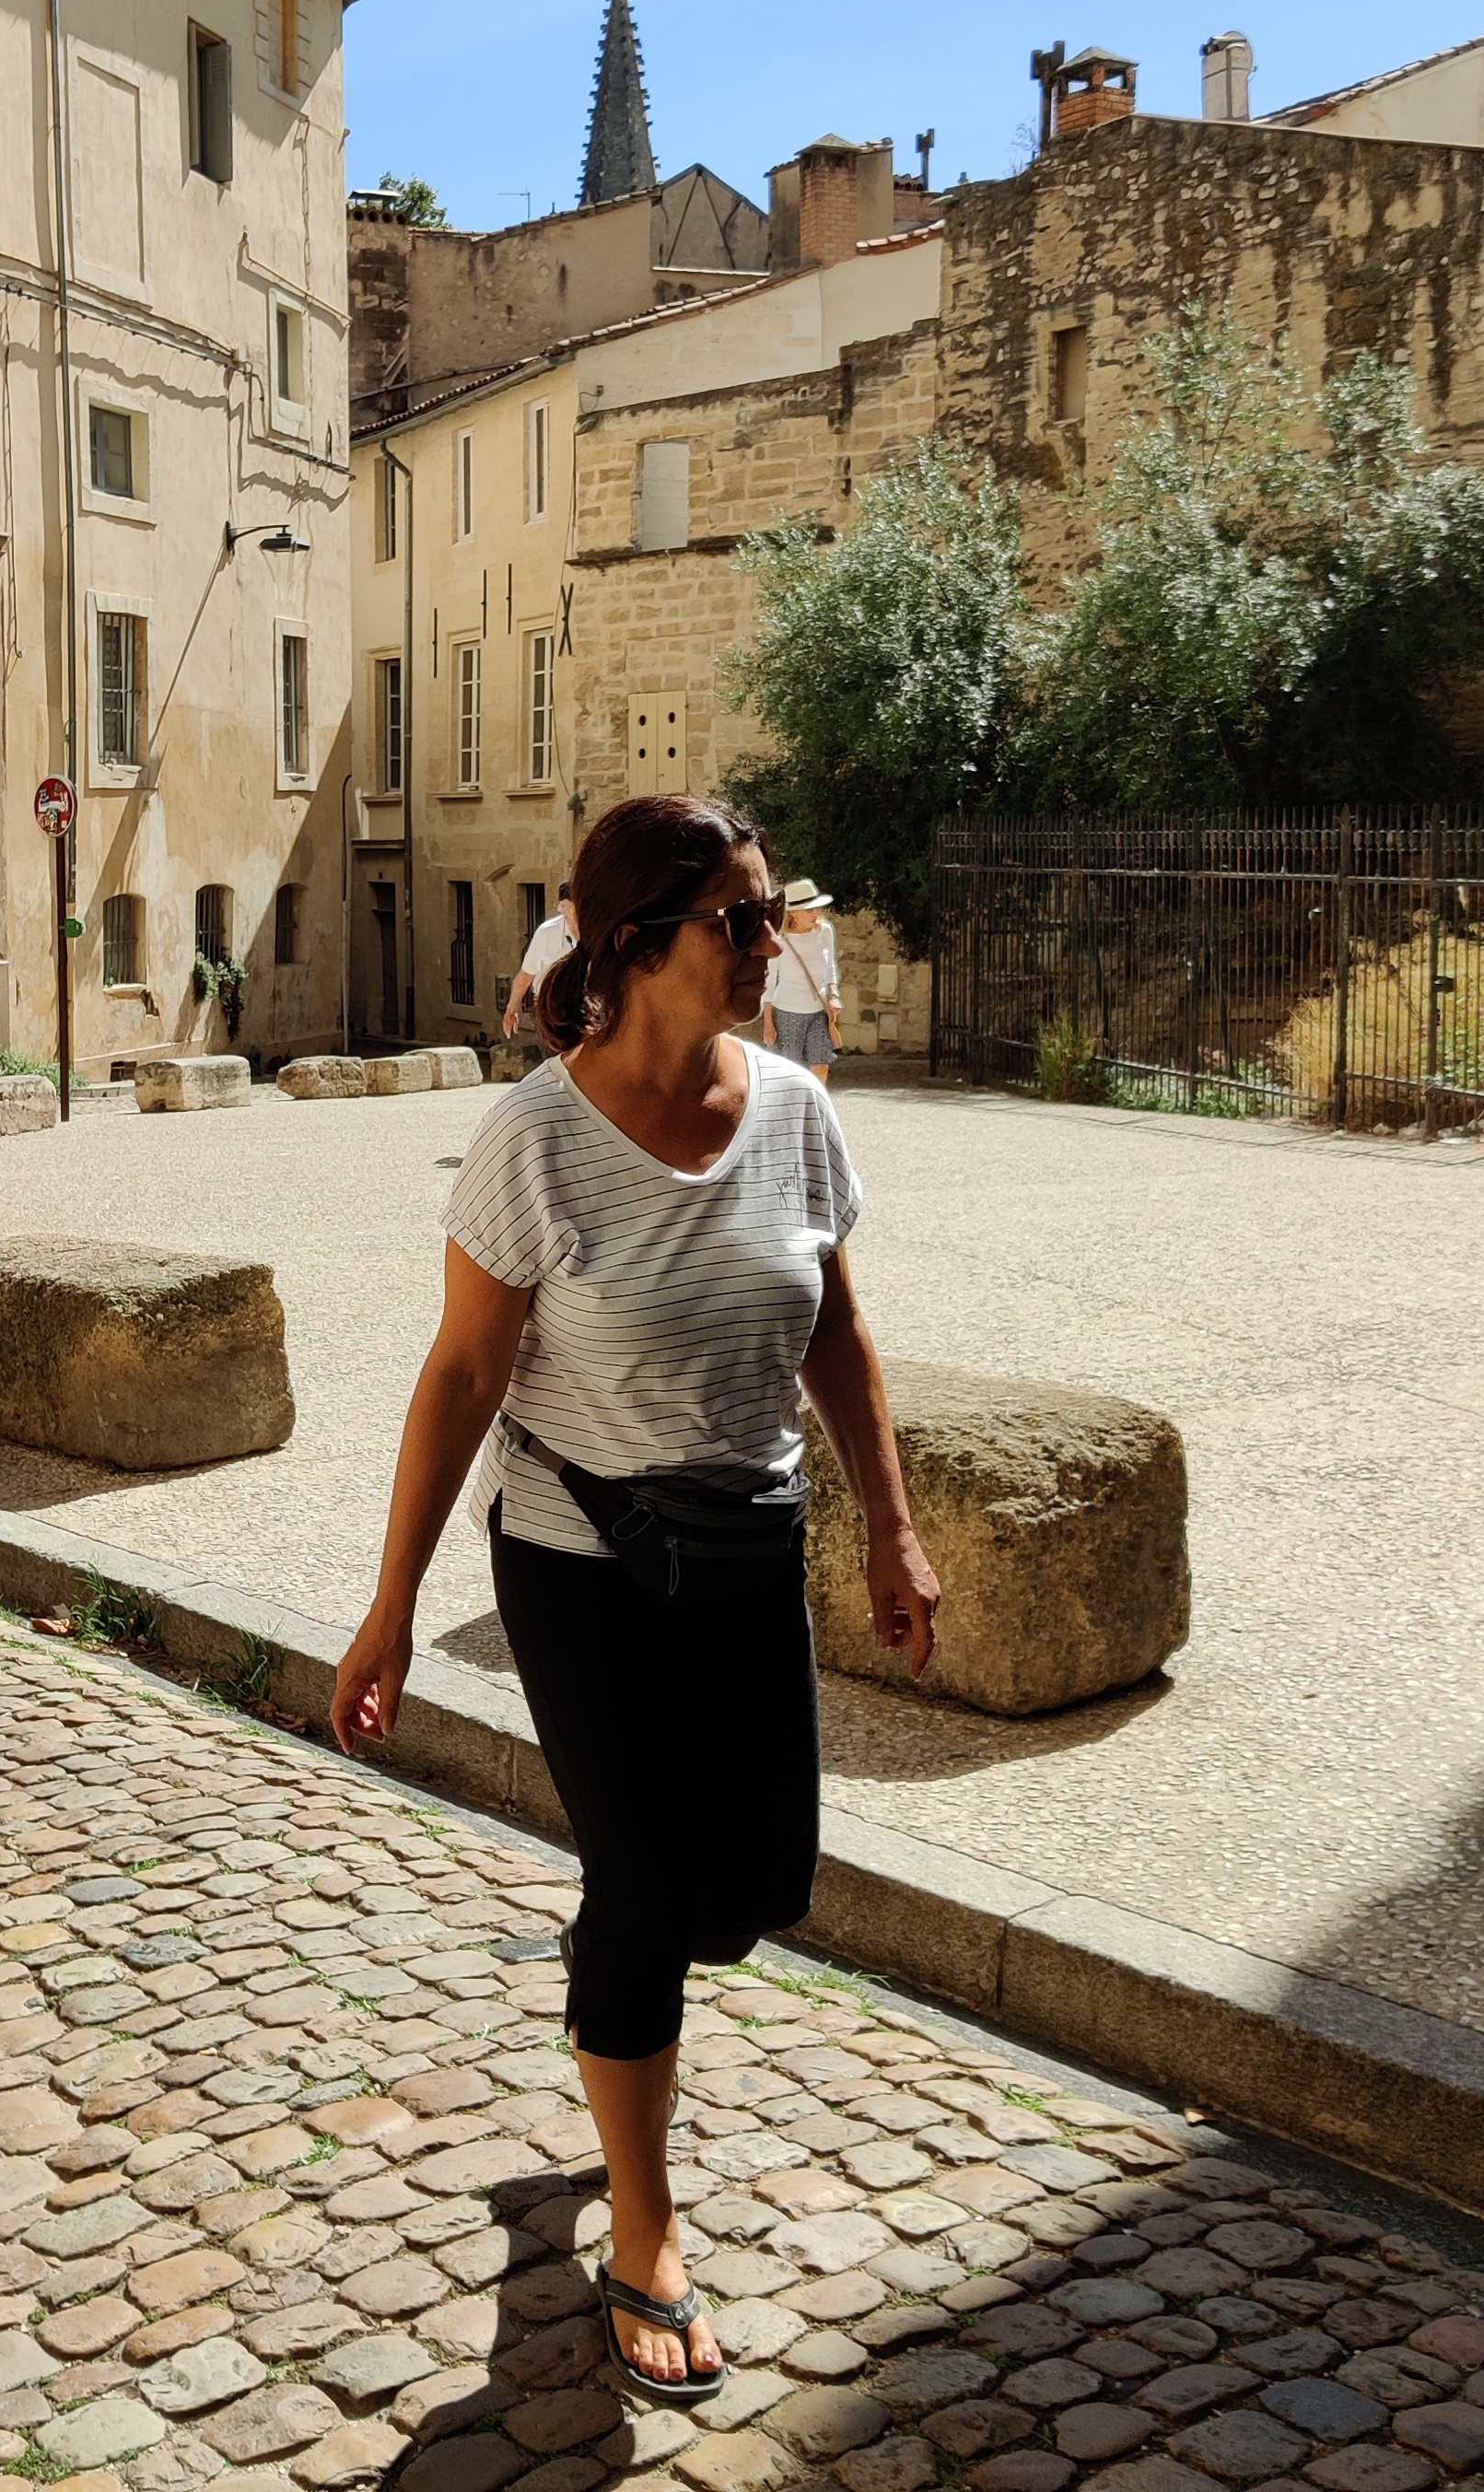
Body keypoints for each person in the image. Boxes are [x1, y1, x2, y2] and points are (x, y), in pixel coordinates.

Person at [330, 792, 941, 2409]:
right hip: (578, 1555)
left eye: (771, 914)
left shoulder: (795, 1110)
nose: (768, 944)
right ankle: (646, 2226)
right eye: (738, 920)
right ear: (636, 943)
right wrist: (390, 1610)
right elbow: (462, 1378)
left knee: (754, 1889)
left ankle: (625, 1928)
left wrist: (892, 1528)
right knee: (653, 1887)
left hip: (745, 1544)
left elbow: (838, 1332)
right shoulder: (536, 1139)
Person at [763, 878, 839, 1082]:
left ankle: (816, 1103)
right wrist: (768, 1024)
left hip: (818, 1012)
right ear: (793, 913)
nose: (816, 913)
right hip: (787, 1013)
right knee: (790, 1072)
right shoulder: (780, 939)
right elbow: (769, 982)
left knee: (821, 1065)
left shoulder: (825, 931)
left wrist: (833, 995)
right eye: (809, 910)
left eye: (816, 908)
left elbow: (830, 967)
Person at [505, 884, 576, 1047]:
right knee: (554, 1054)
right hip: (549, 1007)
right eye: (563, 906)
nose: (562, 910)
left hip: (580, 1007)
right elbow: (526, 974)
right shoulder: (547, 932)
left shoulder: (592, 931)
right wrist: (511, 1009)